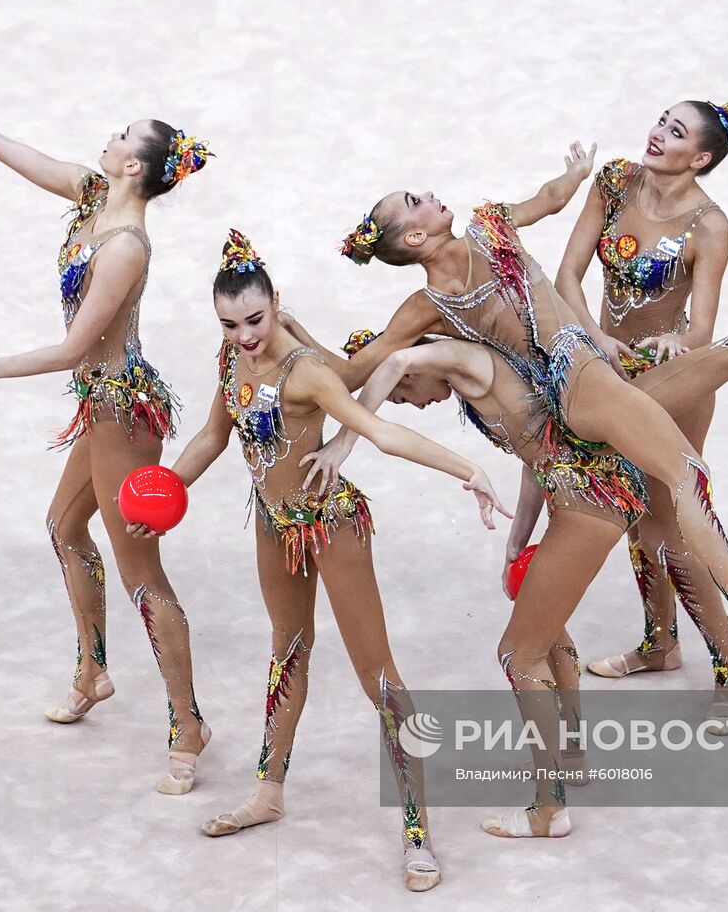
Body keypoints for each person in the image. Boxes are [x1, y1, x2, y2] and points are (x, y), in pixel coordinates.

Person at [299, 257, 728, 838]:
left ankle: (551, 803)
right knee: (559, 618)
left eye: (408, 401)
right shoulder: (486, 387)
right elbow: (538, 458)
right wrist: (517, 540)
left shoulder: (467, 360)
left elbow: (398, 360)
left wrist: (348, 432)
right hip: (596, 457)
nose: (412, 405)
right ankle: (582, 751)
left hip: (614, 423)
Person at [0, 57, 213, 794]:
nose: (108, 137)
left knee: (142, 575)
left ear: (135, 168)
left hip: (122, 411)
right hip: (99, 404)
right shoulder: (91, 197)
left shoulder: (125, 247)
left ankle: (189, 721)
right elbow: (1, 146)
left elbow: (74, 347)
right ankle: (93, 670)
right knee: (62, 527)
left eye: (122, 136)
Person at [129, 232, 508, 890]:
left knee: (378, 675)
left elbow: (380, 432)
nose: (245, 336)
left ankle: (418, 830)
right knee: (288, 650)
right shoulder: (230, 359)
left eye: (255, 319)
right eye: (230, 324)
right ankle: (267, 791)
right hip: (275, 526)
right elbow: (213, 438)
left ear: (276, 304)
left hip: (331, 524)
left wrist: (466, 466)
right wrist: (167, 489)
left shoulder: (305, 369)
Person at [554, 98, 728, 681]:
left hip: (671, 385)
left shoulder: (709, 226)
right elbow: (566, 277)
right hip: (607, 375)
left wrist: (677, 341)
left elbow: (704, 327)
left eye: (676, 132)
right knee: (638, 519)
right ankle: (660, 644)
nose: (658, 133)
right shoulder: (613, 183)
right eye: (661, 120)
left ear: (701, 157)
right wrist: (597, 341)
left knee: (670, 523)